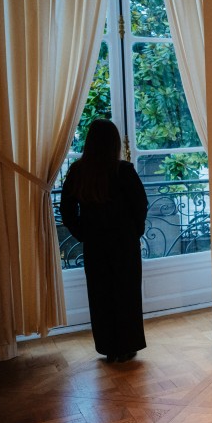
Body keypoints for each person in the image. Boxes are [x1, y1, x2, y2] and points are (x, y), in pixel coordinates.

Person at [60, 119, 148, 363]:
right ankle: (127, 346)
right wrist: (134, 231)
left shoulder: (78, 171)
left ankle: (109, 347)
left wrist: (83, 233)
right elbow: (141, 205)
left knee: (101, 296)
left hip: (96, 245)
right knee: (126, 295)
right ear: (114, 143)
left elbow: (66, 210)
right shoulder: (123, 171)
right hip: (124, 244)